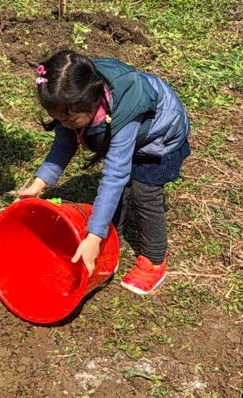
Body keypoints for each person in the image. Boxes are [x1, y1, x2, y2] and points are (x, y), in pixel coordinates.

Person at [17, 51, 191, 296]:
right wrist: (37, 186)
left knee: (144, 193)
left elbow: (114, 175)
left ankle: (154, 259)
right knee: (118, 192)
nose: (64, 125)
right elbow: (63, 146)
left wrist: (93, 234)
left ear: (92, 102)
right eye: (58, 119)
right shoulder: (72, 98)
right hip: (129, 135)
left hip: (160, 140)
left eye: (69, 120)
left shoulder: (124, 112)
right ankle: (110, 242)